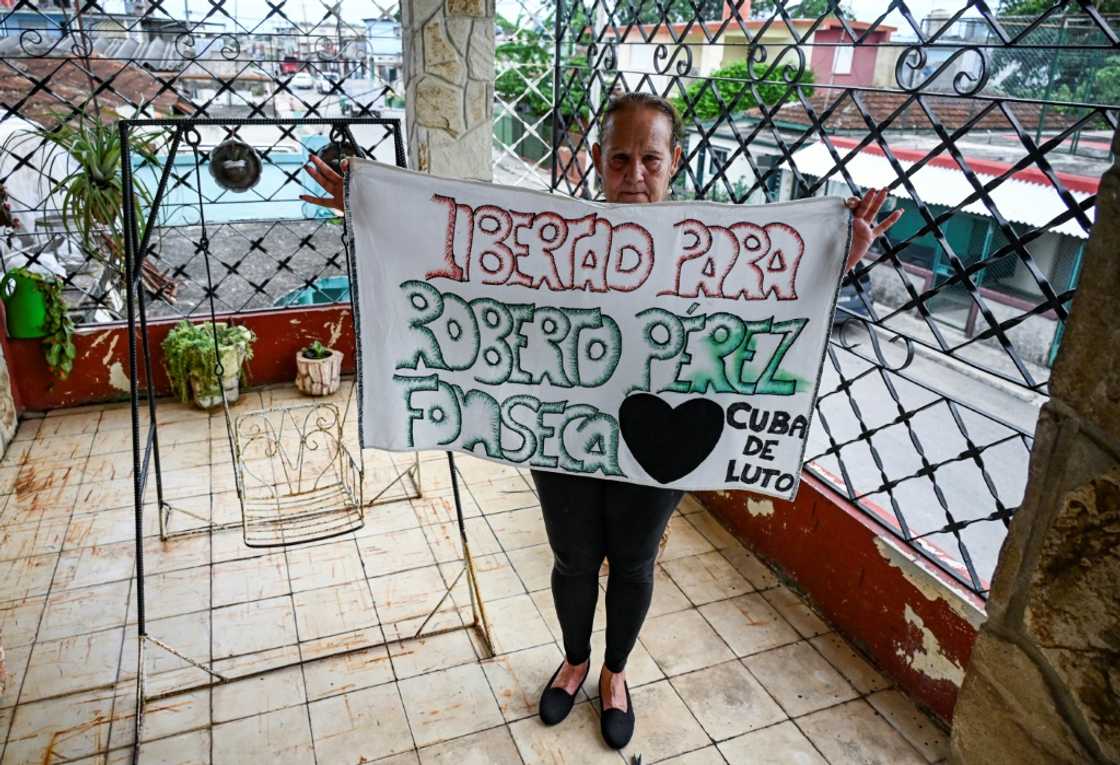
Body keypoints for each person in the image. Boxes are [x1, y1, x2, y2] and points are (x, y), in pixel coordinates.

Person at [302, 92, 902, 750]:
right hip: (561, 431)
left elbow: (768, 310)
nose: (635, 173)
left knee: (635, 561)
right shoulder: (549, 238)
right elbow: (458, 262)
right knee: (574, 558)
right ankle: (575, 659)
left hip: (661, 440)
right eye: (620, 158)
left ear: (674, 161)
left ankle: (614, 673)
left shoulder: (709, 252)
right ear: (597, 160)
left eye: (650, 158)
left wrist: (839, 259)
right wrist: (370, 211)